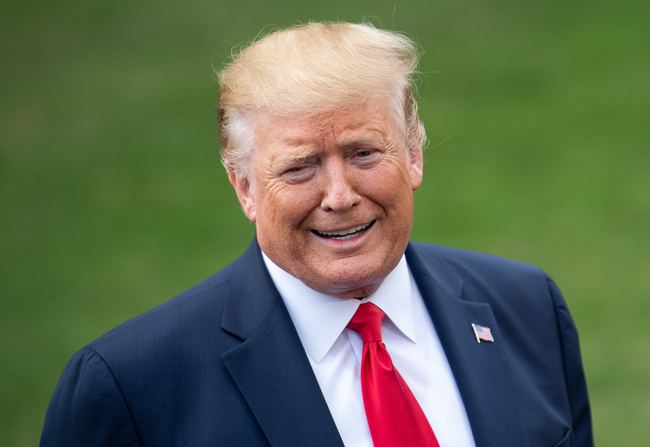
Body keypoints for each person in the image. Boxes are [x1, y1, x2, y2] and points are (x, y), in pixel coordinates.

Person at [40, 22, 593, 447]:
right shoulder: (130, 388)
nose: (339, 195)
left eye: (364, 153)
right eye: (300, 167)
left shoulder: (527, 307)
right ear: (245, 188)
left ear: (415, 154)